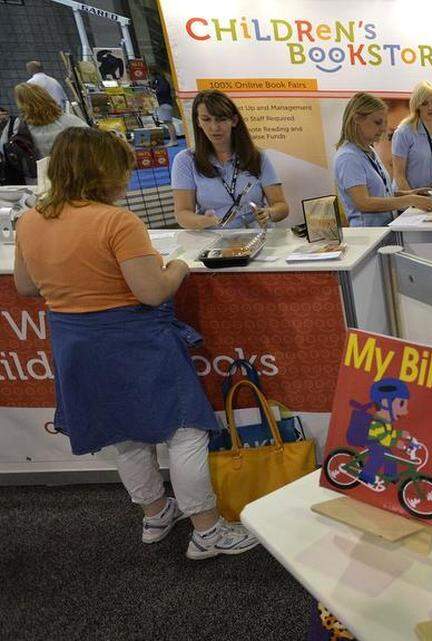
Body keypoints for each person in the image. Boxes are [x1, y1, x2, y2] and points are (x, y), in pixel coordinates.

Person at [12, 127, 258, 560]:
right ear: (102, 170)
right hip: (133, 339)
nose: (126, 177)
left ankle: (156, 514)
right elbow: (152, 292)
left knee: (124, 433)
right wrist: (179, 266)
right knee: (185, 429)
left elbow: (26, 286)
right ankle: (207, 530)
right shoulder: (117, 222)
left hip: (75, 343)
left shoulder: (31, 220)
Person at [172, 90, 288, 229]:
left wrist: (269, 213)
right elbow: (182, 213)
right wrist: (205, 221)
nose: (214, 127)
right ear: (198, 122)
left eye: (221, 119)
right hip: (215, 237)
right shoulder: (185, 160)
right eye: (206, 119)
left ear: (234, 120)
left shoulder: (257, 156)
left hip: (257, 236)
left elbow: (281, 206)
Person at [334, 93, 432, 227]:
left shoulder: (368, 151)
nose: (383, 129)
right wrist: (410, 200)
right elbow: (363, 203)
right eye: (377, 122)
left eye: (384, 123)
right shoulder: (348, 157)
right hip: (369, 233)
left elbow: (380, 194)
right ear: (357, 119)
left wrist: (408, 194)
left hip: (383, 230)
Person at [391, 82, 432, 191]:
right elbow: (399, 176)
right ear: (417, 107)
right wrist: (414, 199)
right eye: (424, 103)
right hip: (408, 197)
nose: (430, 107)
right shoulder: (404, 133)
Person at [13, 83, 88, 159]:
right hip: (71, 162)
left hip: (42, 165)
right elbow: (91, 138)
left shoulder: (21, 125)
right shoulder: (69, 120)